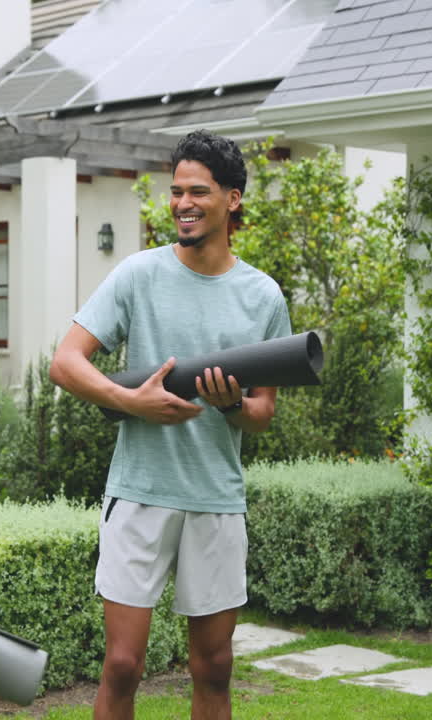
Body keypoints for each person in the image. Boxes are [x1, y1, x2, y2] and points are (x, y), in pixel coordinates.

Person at [50, 130, 291, 720]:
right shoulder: (139, 274)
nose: (182, 203)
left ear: (232, 199)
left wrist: (231, 405)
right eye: (176, 191)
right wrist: (132, 402)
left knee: (213, 667)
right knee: (123, 665)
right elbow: (65, 361)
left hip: (214, 497)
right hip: (139, 494)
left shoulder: (263, 296)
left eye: (198, 192)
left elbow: (262, 414)